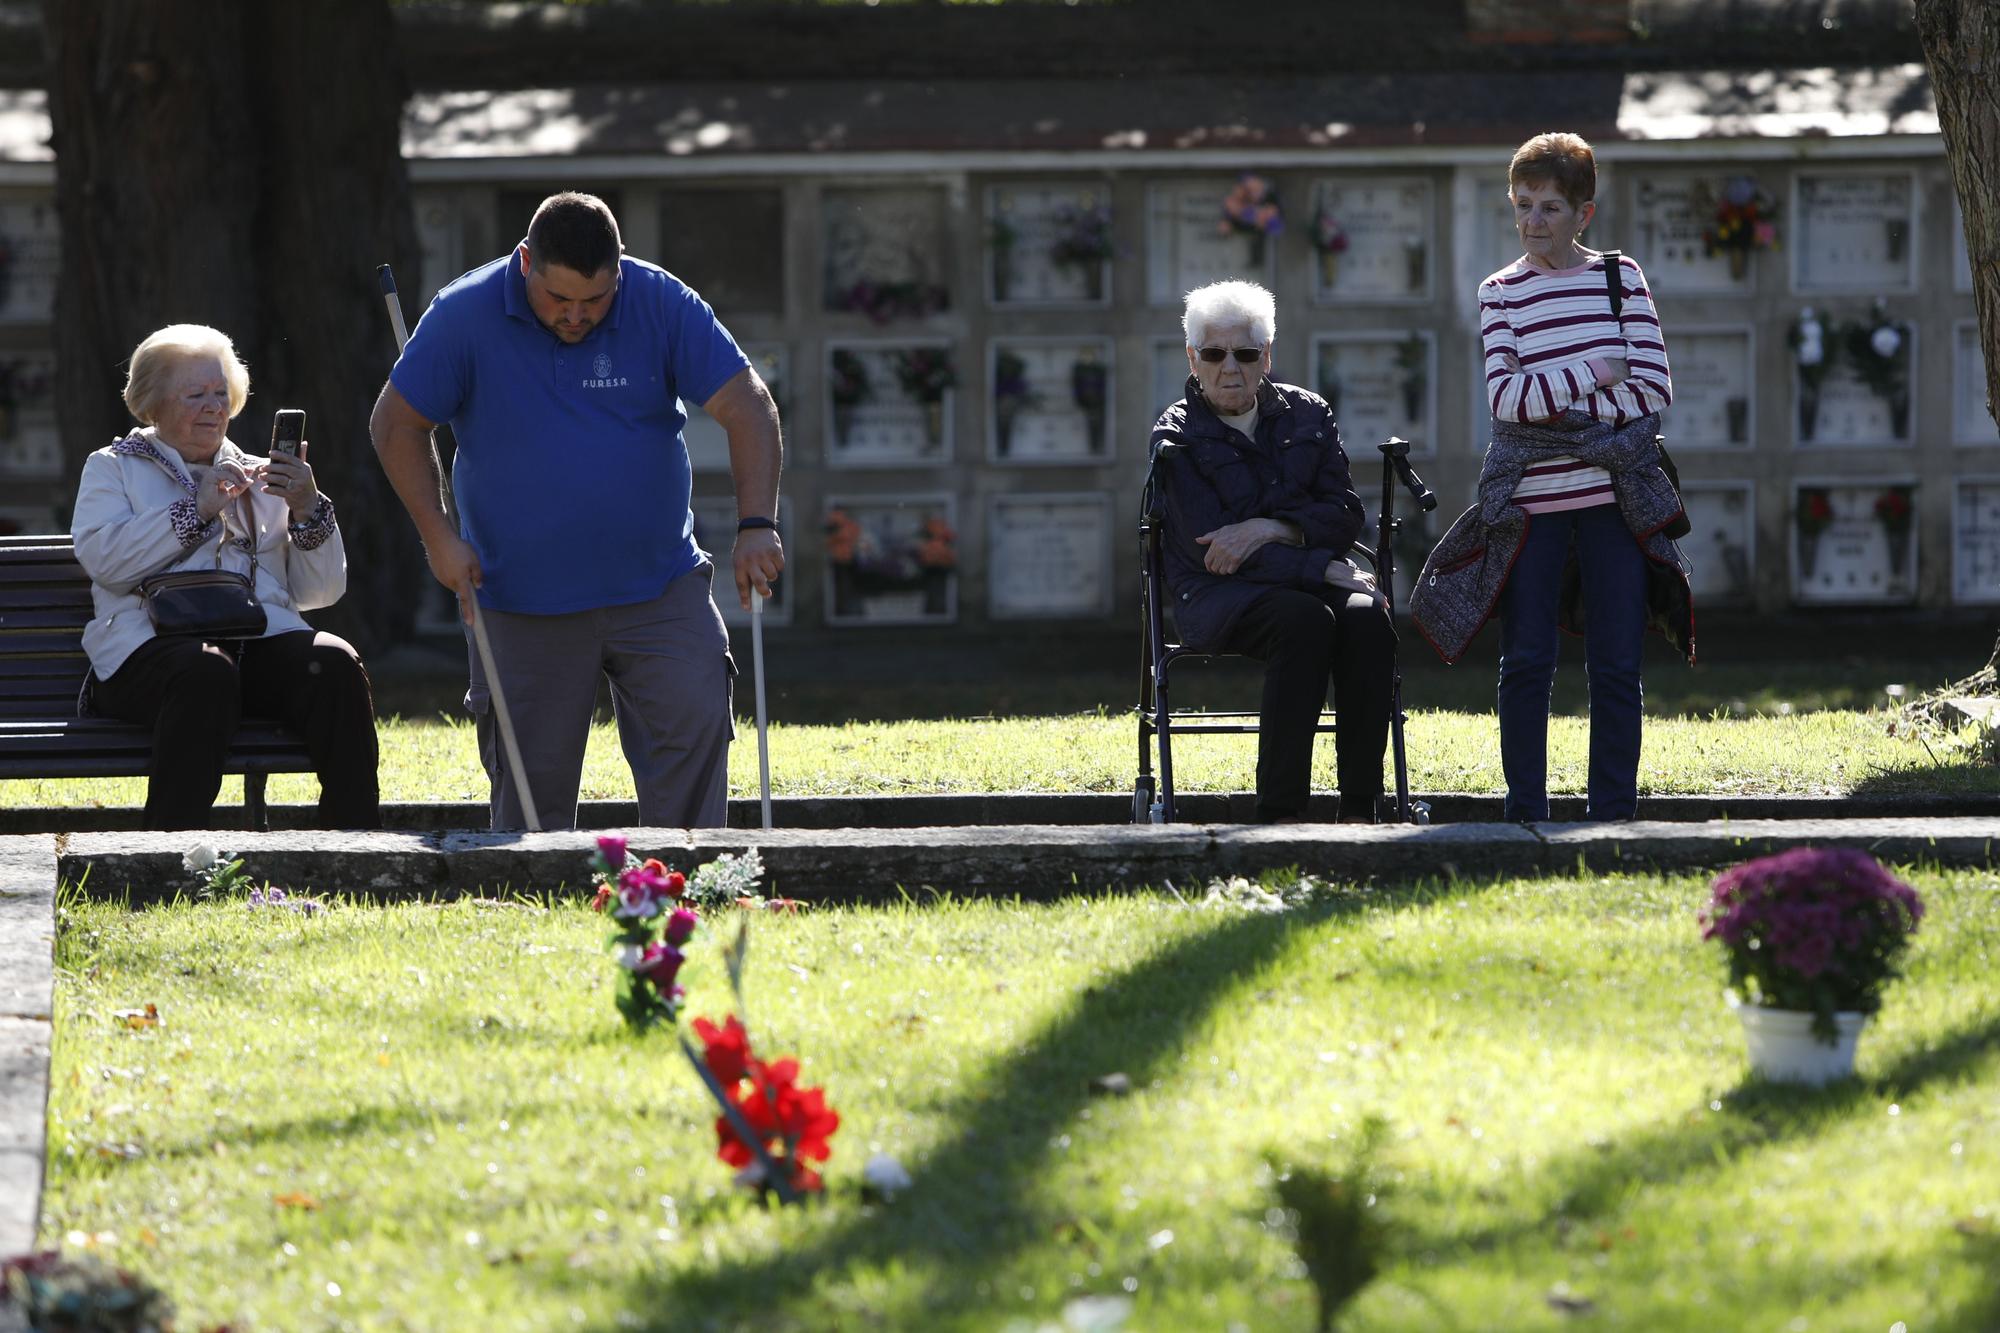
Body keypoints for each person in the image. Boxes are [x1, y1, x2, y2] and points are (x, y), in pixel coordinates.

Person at [370, 191, 783, 831]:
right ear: (526, 260)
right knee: (530, 795)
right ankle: (536, 911)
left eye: (596, 300)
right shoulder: (463, 314)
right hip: (517, 596)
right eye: (560, 300)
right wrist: (440, 539)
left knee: (695, 727)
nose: (577, 317)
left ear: (619, 268)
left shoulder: (660, 300)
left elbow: (748, 406)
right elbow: (397, 425)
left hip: (659, 585)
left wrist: (758, 523)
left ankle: (687, 890)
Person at [1410, 132, 1691, 823]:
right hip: (1530, 505)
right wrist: (1597, 370)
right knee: (1527, 659)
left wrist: (1557, 404)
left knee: (1617, 665)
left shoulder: (1621, 281)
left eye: (1551, 208)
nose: (1535, 222)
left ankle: (1612, 815)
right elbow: (1506, 401)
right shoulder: (1500, 292)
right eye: (1524, 205)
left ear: (1584, 214)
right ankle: (1525, 812)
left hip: (1614, 504)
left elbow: (1653, 389)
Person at [71, 324, 380, 830]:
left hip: (254, 646)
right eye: (195, 395)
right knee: (205, 673)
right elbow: (107, 562)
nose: (214, 407)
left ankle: (357, 846)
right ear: (153, 403)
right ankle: (168, 856)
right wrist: (196, 510)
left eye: (221, 393)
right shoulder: (112, 468)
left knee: (334, 663)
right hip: (148, 651)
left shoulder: (259, 474)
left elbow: (319, 592)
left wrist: (306, 508)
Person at [1151, 280, 1395, 824]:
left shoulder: (1308, 413)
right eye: (1214, 354)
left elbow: (1344, 512)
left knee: (1368, 618)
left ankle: (1361, 809)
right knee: (1304, 620)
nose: (1229, 367)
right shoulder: (1176, 435)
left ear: (1268, 356)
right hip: (1220, 594)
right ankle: (1280, 817)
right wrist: (1320, 562)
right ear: (1193, 358)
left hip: (1305, 576)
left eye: (1246, 353)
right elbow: (1212, 549)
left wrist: (1269, 528)